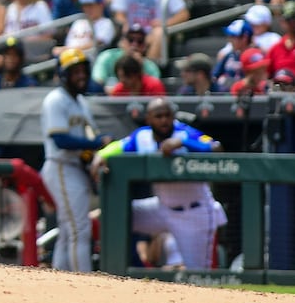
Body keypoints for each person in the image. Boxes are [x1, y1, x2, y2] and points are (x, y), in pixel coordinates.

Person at [91, 97, 228, 270]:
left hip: (193, 212)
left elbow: (217, 148)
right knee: (114, 214)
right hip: (161, 208)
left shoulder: (185, 133)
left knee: (198, 275)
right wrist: (101, 154)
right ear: (148, 118)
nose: (163, 120)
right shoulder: (142, 136)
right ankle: (132, 268)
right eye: (158, 116)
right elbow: (119, 146)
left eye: (167, 115)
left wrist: (183, 142)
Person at [41, 48, 108, 272]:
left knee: (69, 229)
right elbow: (60, 139)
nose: (80, 75)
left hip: (74, 166)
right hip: (60, 165)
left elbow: (89, 135)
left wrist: (94, 153)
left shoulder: (80, 101)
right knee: (79, 228)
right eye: (74, 71)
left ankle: (60, 280)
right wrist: (94, 144)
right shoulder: (55, 99)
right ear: (63, 74)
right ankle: (85, 281)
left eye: (83, 71)